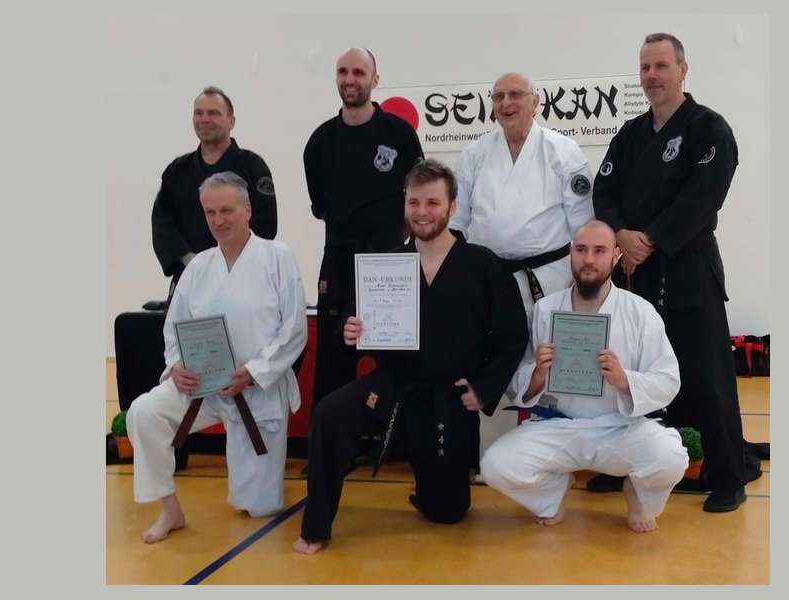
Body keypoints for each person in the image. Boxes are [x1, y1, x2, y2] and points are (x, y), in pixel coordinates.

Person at [293, 159, 528, 554]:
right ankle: (315, 527)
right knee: (330, 414)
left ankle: (428, 481)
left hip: (448, 394)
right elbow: (359, 321)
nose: (422, 212)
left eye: (432, 202)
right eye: (414, 202)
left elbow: (512, 335)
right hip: (394, 383)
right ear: (404, 204)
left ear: (452, 206)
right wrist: (351, 329)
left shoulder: (483, 265)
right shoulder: (386, 263)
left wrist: (483, 389)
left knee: (448, 511)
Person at [592, 33, 749, 512]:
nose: (652, 76)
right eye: (645, 68)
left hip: (689, 270)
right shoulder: (630, 134)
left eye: (661, 66)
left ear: (683, 69)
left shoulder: (709, 128)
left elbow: (704, 196)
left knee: (707, 377)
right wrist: (619, 234)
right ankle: (628, 464)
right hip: (635, 276)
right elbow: (604, 188)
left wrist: (651, 238)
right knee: (634, 376)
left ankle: (728, 476)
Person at [128, 172, 307, 543]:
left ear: (247, 210)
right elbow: (173, 328)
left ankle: (258, 481)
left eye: (226, 210)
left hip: (255, 390)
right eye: (210, 212)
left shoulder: (277, 257)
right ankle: (170, 510)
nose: (218, 220)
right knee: (143, 413)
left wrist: (253, 373)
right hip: (203, 387)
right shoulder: (198, 266)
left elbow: (294, 330)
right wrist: (177, 365)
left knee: (255, 507)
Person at [481, 221, 687, 532]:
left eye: (599, 251)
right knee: (496, 465)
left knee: (670, 457)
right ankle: (552, 494)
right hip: (557, 425)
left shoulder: (639, 312)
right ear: (570, 254)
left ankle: (639, 495)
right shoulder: (544, 310)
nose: (588, 259)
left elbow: (669, 379)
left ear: (616, 256)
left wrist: (625, 380)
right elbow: (516, 382)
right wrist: (537, 375)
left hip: (620, 428)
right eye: (581, 250)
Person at [450, 72, 596, 462]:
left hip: (550, 277)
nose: (506, 103)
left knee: (554, 363)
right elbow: (456, 223)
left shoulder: (562, 151)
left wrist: (587, 282)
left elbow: (583, 225)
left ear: (536, 101)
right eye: (498, 96)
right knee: (492, 363)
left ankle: (561, 456)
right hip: (490, 279)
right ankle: (492, 458)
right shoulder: (476, 154)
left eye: (516, 95)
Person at [303, 47, 424, 409]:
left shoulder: (399, 135)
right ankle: (330, 452)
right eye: (343, 72)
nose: (350, 79)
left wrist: (394, 247)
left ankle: (398, 443)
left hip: (390, 262)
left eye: (359, 72)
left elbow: (417, 199)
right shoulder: (319, 143)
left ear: (375, 78)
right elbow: (321, 208)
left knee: (396, 355)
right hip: (338, 262)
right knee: (332, 358)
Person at [152, 86, 278, 296]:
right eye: (198, 113)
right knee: (186, 329)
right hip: (189, 276)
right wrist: (192, 261)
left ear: (231, 121)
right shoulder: (177, 171)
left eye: (213, 113)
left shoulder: (252, 166)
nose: (204, 119)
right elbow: (162, 224)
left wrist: (225, 262)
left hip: (242, 276)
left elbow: (266, 225)